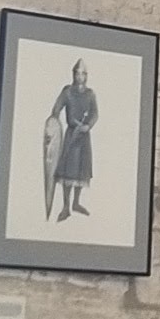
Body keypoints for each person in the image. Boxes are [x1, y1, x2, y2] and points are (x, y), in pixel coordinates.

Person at [50, 60, 98, 222]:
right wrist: (54, 120)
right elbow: (56, 108)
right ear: (73, 74)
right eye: (77, 73)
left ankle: (76, 203)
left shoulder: (90, 94)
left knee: (81, 170)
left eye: (82, 74)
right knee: (68, 171)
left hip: (83, 137)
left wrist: (88, 126)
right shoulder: (68, 92)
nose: (79, 77)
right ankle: (66, 207)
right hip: (71, 135)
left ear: (86, 76)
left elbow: (95, 114)